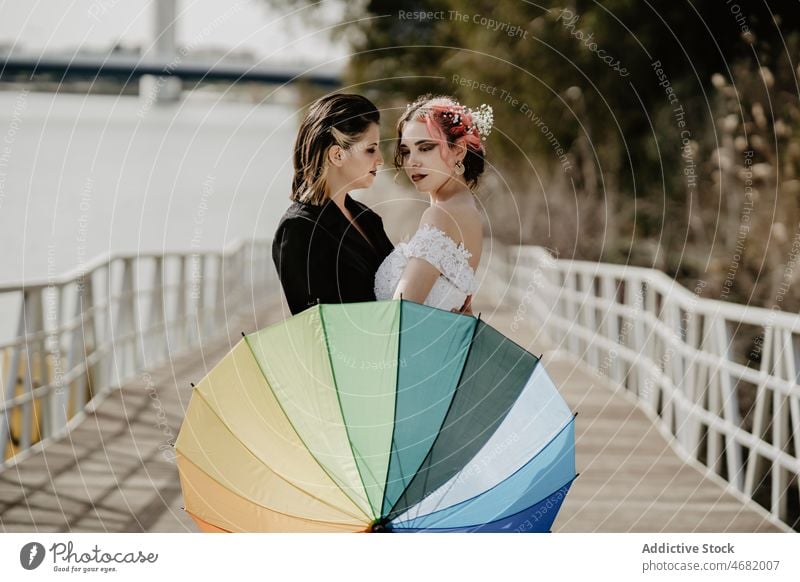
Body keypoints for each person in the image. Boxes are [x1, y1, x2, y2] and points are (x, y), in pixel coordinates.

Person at [272, 94, 394, 315]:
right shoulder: (299, 229)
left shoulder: (367, 217)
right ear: (337, 154)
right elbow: (317, 324)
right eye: (371, 149)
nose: (380, 160)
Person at [374, 95, 493, 314]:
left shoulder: (440, 215)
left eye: (425, 147)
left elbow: (400, 312)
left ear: (459, 149)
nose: (412, 162)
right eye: (406, 151)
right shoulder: (468, 211)